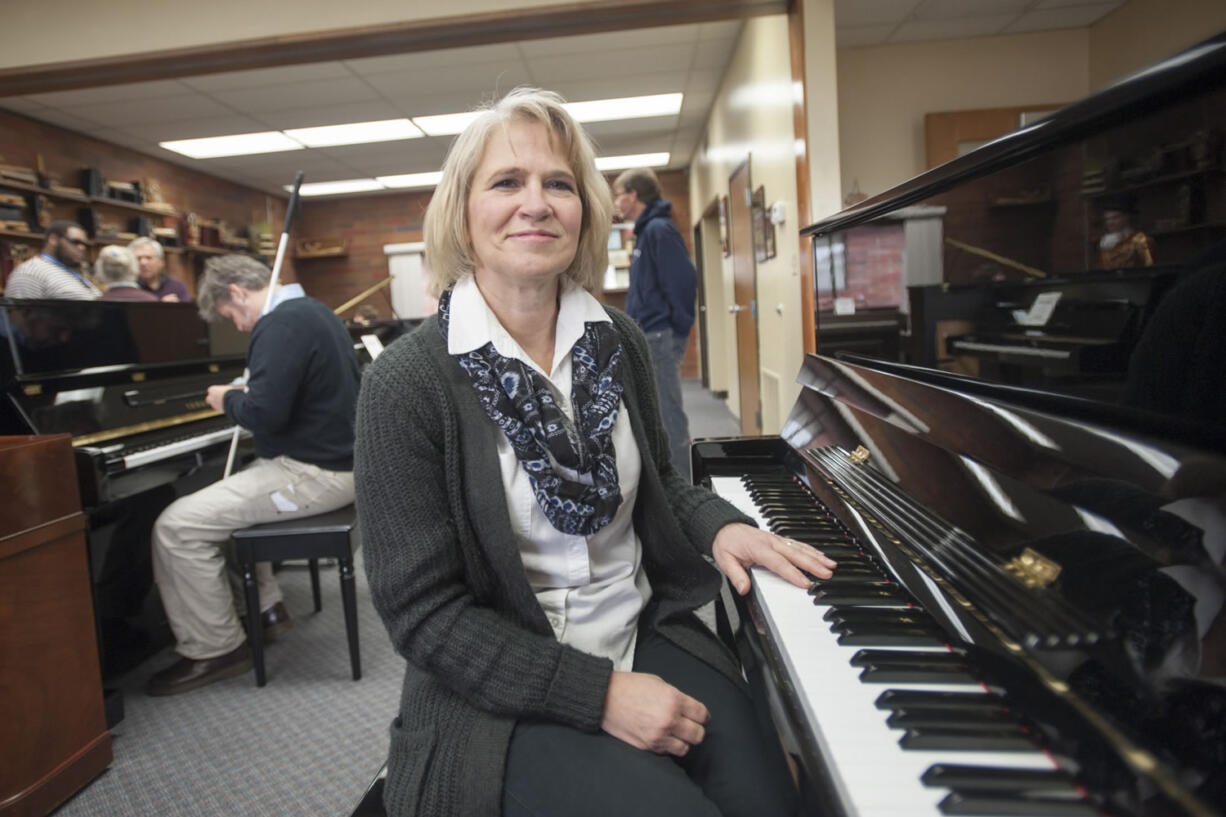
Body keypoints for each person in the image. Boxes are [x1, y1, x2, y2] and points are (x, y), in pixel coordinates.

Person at [355, 87, 836, 817]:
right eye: (507, 182)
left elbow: (663, 486)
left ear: (586, 210)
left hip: (641, 625)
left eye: (559, 183)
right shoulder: (405, 383)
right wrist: (599, 693)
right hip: (502, 677)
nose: (537, 203)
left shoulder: (619, 342)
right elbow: (423, 615)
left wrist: (719, 525)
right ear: (461, 211)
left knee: (776, 803)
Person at [145, 254, 360, 696]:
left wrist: (226, 398)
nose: (239, 327)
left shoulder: (280, 323)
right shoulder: (314, 311)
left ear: (239, 293)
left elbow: (263, 414)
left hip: (314, 473)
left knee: (176, 526)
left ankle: (216, 648)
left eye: (232, 316)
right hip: (335, 464)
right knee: (221, 507)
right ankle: (267, 610)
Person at [612, 167, 697, 482]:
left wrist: (674, 329)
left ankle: (689, 492)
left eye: (619, 194)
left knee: (669, 417)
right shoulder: (646, 232)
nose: (616, 202)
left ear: (633, 195)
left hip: (659, 335)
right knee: (657, 415)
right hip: (650, 335)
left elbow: (683, 282)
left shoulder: (659, 229)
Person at [4, 220, 99, 300]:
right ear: (53, 239)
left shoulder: (68, 272)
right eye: (75, 242)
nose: (81, 248)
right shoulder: (30, 272)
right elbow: (19, 316)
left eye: (84, 244)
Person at [129, 236, 191, 302]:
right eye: (138, 258)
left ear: (161, 261)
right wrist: (161, 307)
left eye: (149, 258)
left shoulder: (176, 287)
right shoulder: (129, 289)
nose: (143, 263)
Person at [1098, 198, 1154, 269]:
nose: (1110, 223)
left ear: (1126, 217)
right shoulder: (1105, 244)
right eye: (1107, 219)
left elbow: (1149, 268)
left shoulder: (1140, 240)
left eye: (1115, 218)